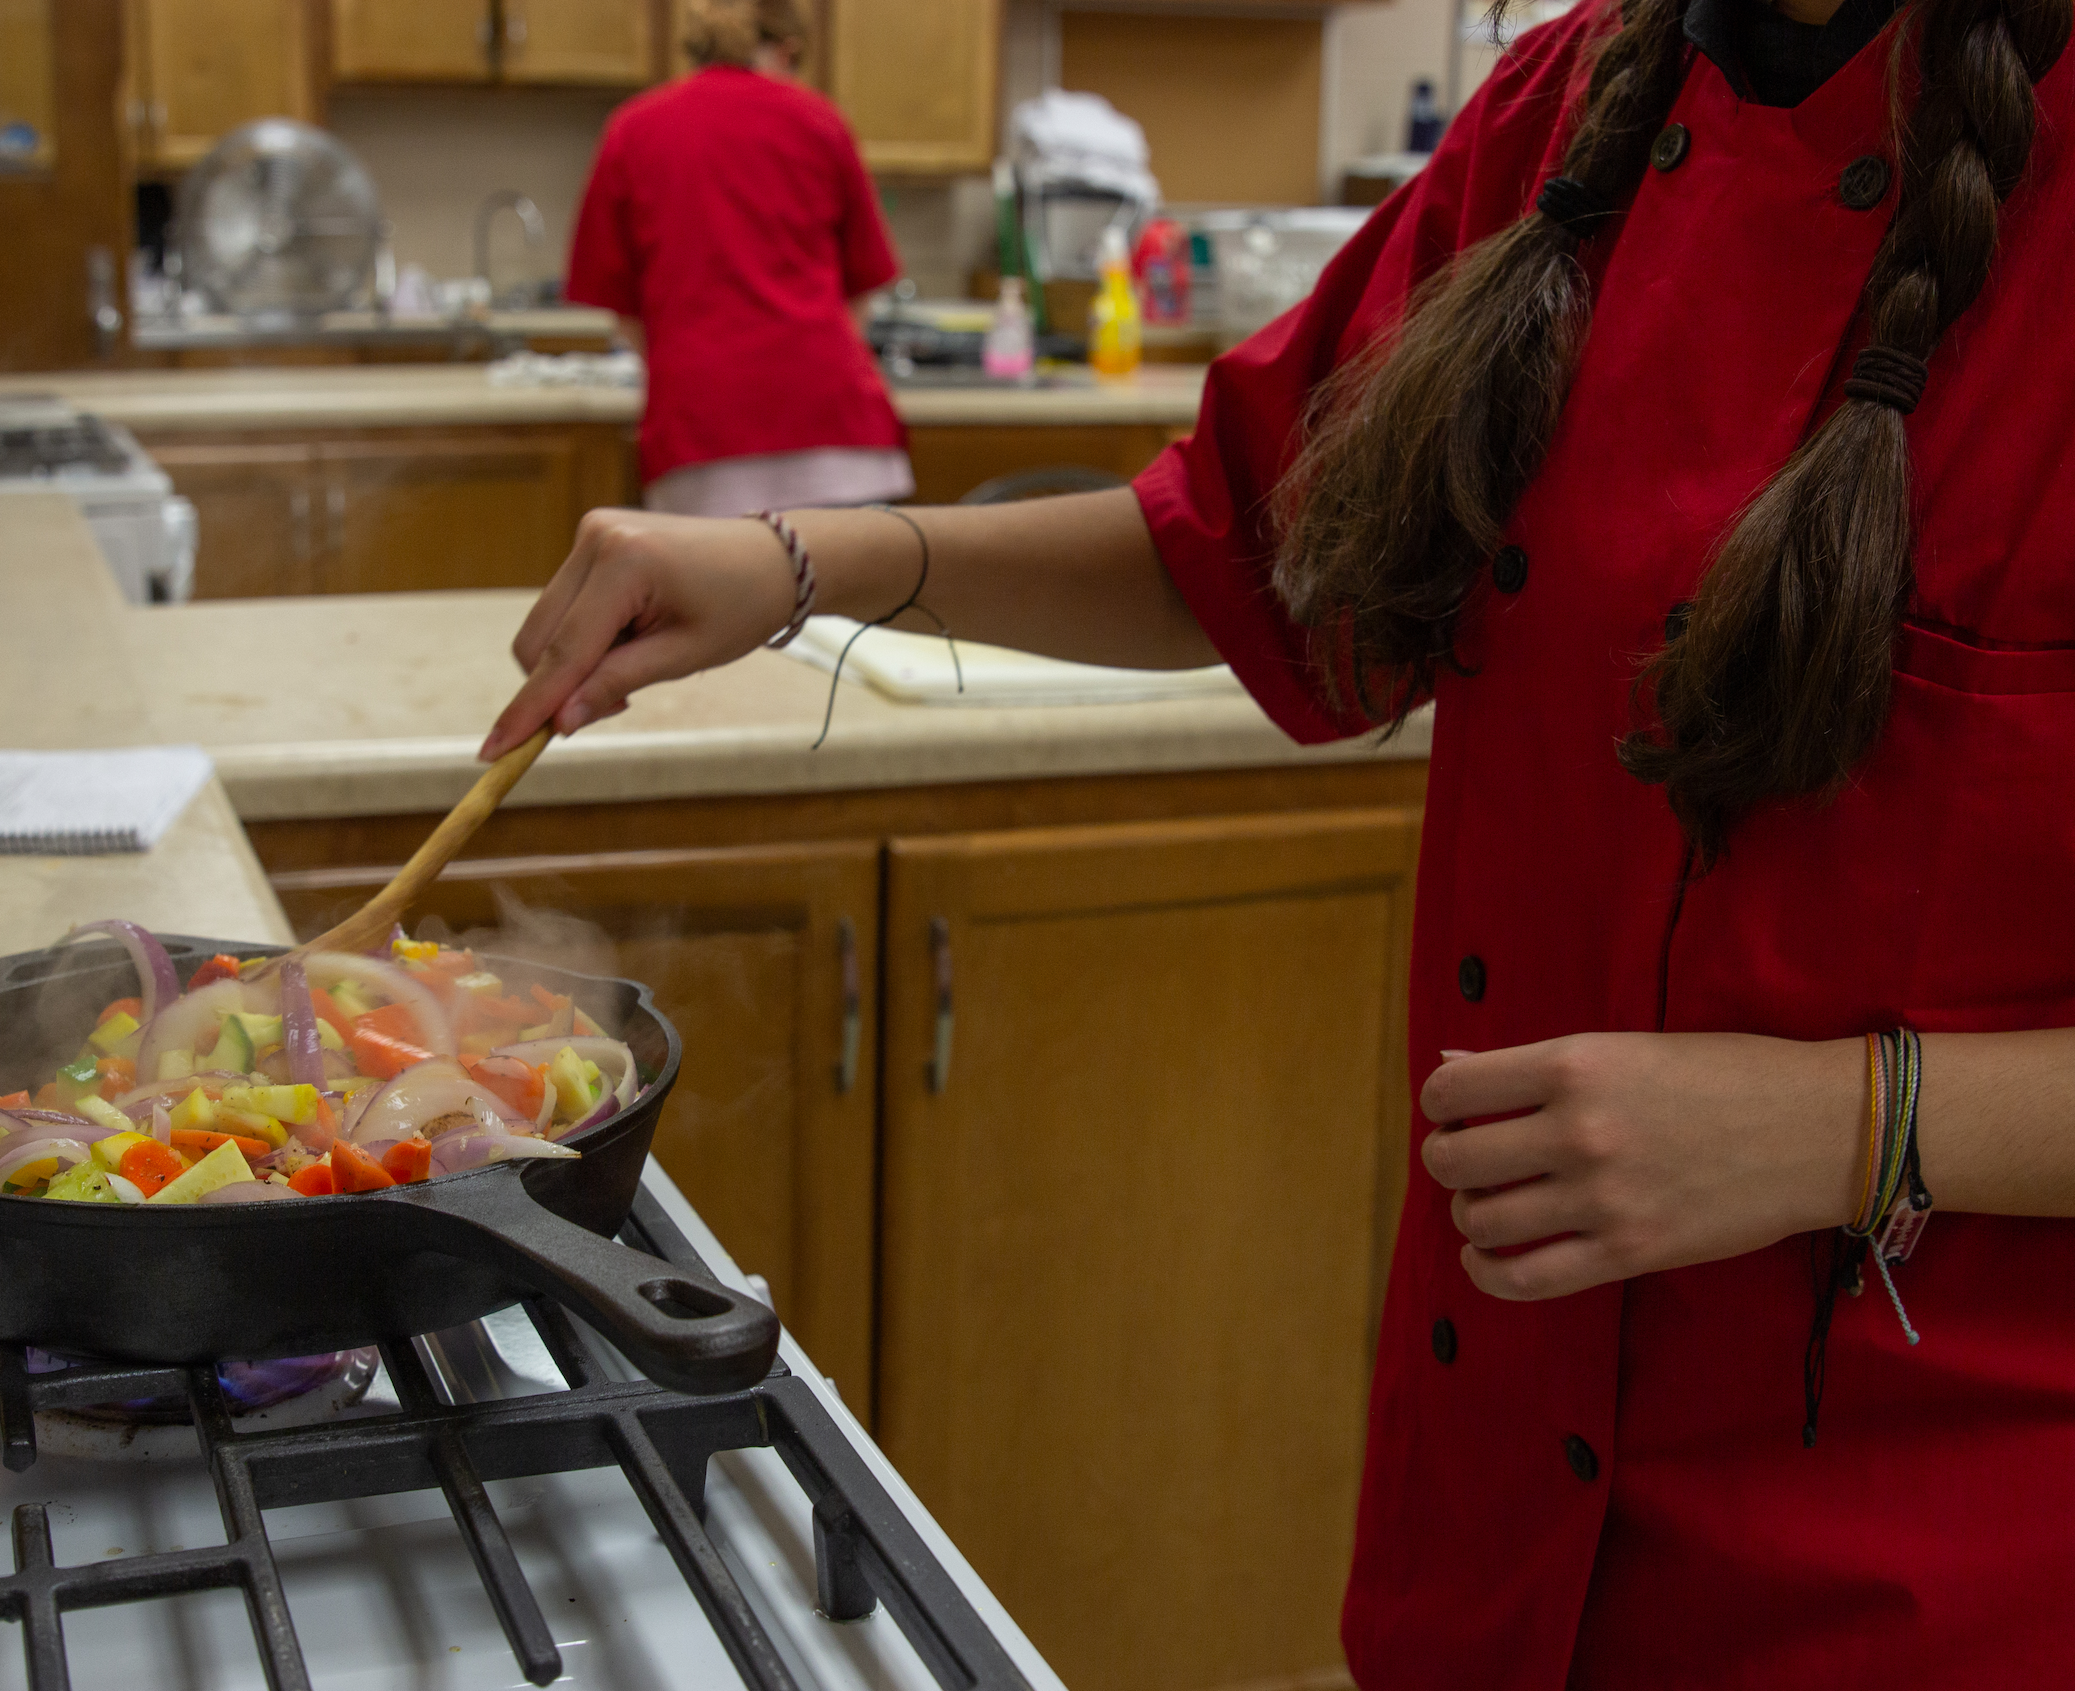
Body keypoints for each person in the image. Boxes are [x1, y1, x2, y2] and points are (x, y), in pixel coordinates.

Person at [486, 0, 2075, 1678]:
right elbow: (1248, 549)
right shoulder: (1571, 105)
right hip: (1486, 1521)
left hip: (1935, 1574)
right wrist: (801, 563)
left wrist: (1850, 1123)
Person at [565, 0, 911, 517]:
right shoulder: (818, 119)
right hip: (836, 431)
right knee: (843, 597)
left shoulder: (633, 129)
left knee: (711, 597)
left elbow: (623, 310)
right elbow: (862, 286)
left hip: (701, 437)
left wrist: (683, 368)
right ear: (788, 51)